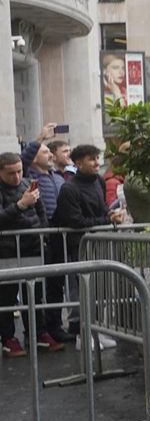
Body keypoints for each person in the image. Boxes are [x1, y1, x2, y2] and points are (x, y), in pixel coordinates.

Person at [52, 145, 125, 348]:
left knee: (99, 290)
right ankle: (83, 335)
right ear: (78, 163)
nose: (96, 163)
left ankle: (97, 331)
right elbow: (76, 221)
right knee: (85, 290)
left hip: (97, 242)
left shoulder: (98, 181)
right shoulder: (69, 188)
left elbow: (101, 208)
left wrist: (110, 214)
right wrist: (106, 220)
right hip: (80, 245)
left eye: (97, 158)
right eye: (91, 159)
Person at [0, 152, 64, 357]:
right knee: (7, 297)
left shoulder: (28, 183)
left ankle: (38, 333)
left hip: (33, 247)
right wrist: (21, 205)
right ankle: (8, 338)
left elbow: (41, 211)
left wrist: (43, 235)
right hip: (7, 251)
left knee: (34, 295)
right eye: (11, 173)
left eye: (19, 171)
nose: (17, 177)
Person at [20, 127, 72, 339]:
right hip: (40, 238)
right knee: (37, 288)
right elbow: (23, 159)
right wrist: (40, 137)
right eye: (45, 152)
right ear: (34, 158)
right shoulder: (29, 175)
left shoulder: (57, 177)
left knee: (56, 285)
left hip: (58, 237)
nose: (50, 155)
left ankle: (54, 327)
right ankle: (37, 331)